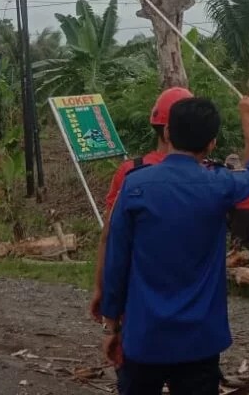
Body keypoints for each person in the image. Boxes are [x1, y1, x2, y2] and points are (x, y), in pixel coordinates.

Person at [99, 97, 249, 395]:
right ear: (212, 144)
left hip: (145, 338)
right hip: (200, 342)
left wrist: (110, 326)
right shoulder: (219, 185)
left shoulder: (135, 185)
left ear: (167, 132)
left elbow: (117, 262)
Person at [89, 86, 193, 323]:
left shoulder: (130, 171)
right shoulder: (206, 173)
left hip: (139, 297)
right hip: (190, 298)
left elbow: (110, 235)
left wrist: (101, 288)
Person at [224, 152, 249, 262]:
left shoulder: (231, 178)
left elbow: (228, 200)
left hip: (241, 211)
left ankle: (235, 270)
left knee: (237, 243)